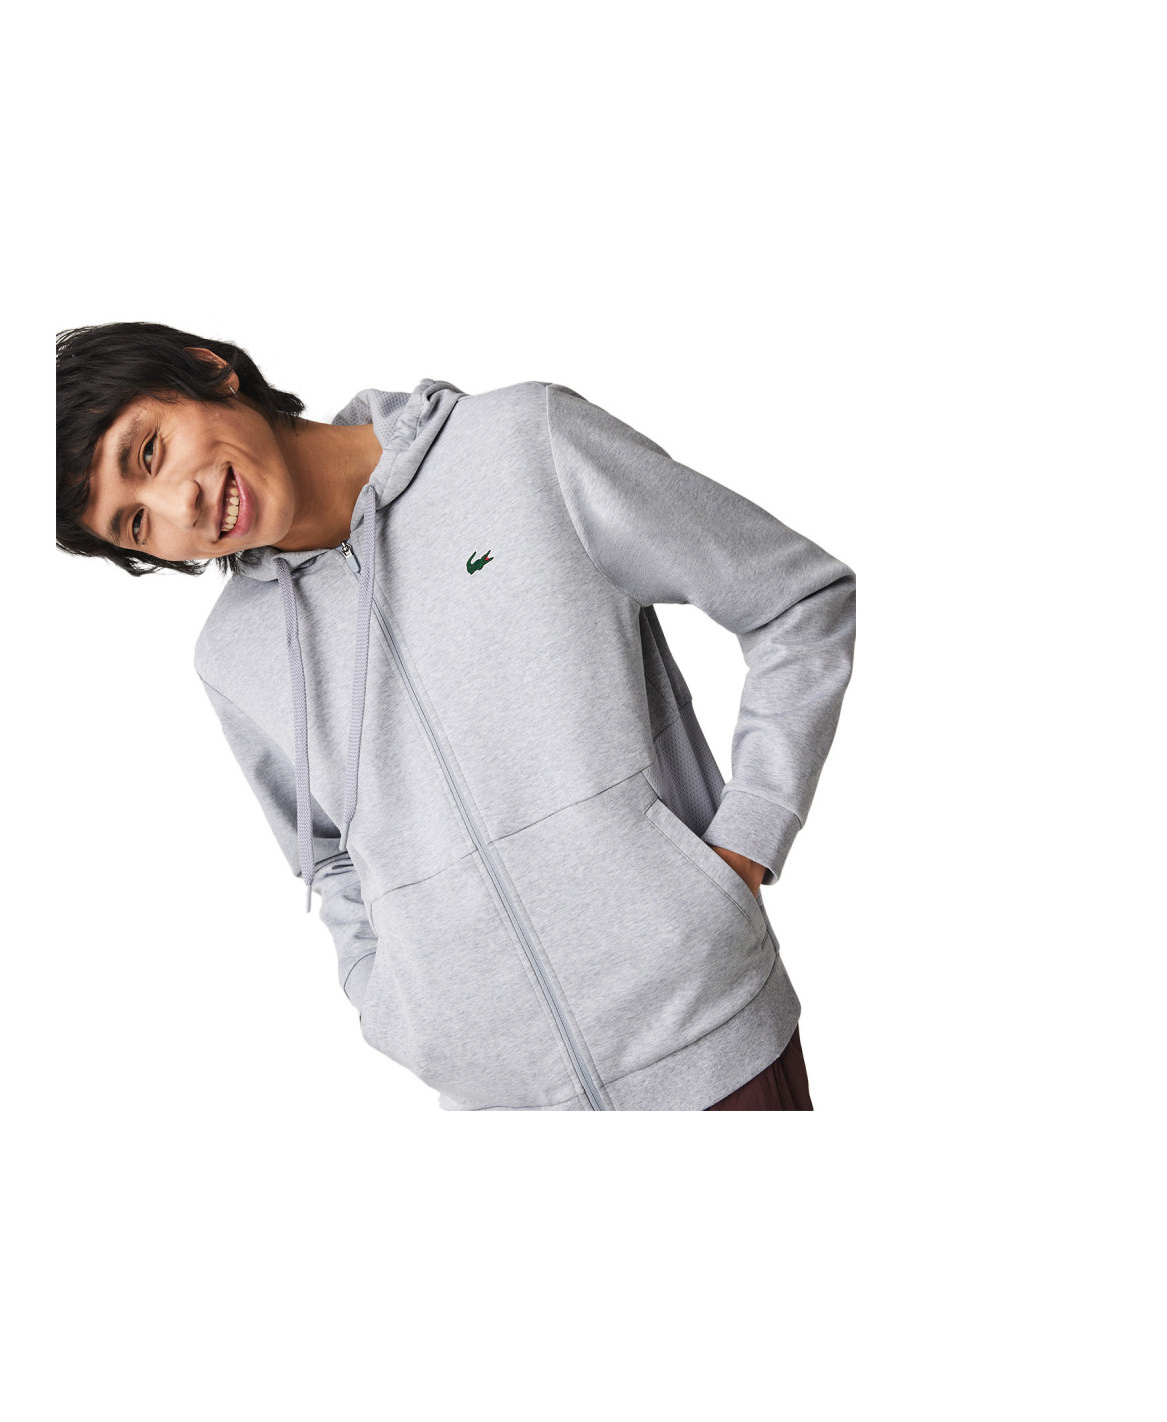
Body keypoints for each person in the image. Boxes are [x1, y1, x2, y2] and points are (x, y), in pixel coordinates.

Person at [56, 322, 856, 1111]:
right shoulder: (234, 656)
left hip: (710, 1041)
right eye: (137, 523)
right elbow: (324, 853)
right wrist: (393, 1005)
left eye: (149, 452)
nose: (180, 509)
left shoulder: (522, 446)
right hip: (496, 1103)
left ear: (210, 369)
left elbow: (796, 599)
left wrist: (745, 843)